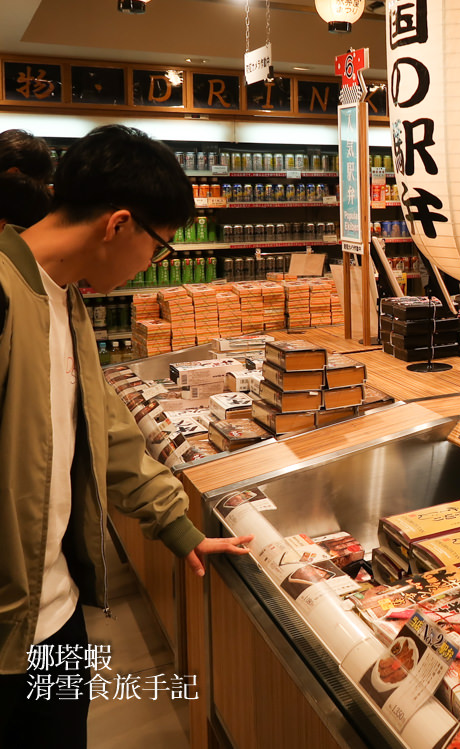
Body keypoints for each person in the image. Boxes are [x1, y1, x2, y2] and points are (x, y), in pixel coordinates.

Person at [0, 124, 252, 748]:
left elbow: (104, 429)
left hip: (55, 617)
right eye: (160, 247)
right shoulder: (4, 295)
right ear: (119, 224)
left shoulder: (66, 300)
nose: (154, 263)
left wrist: (177, 526)